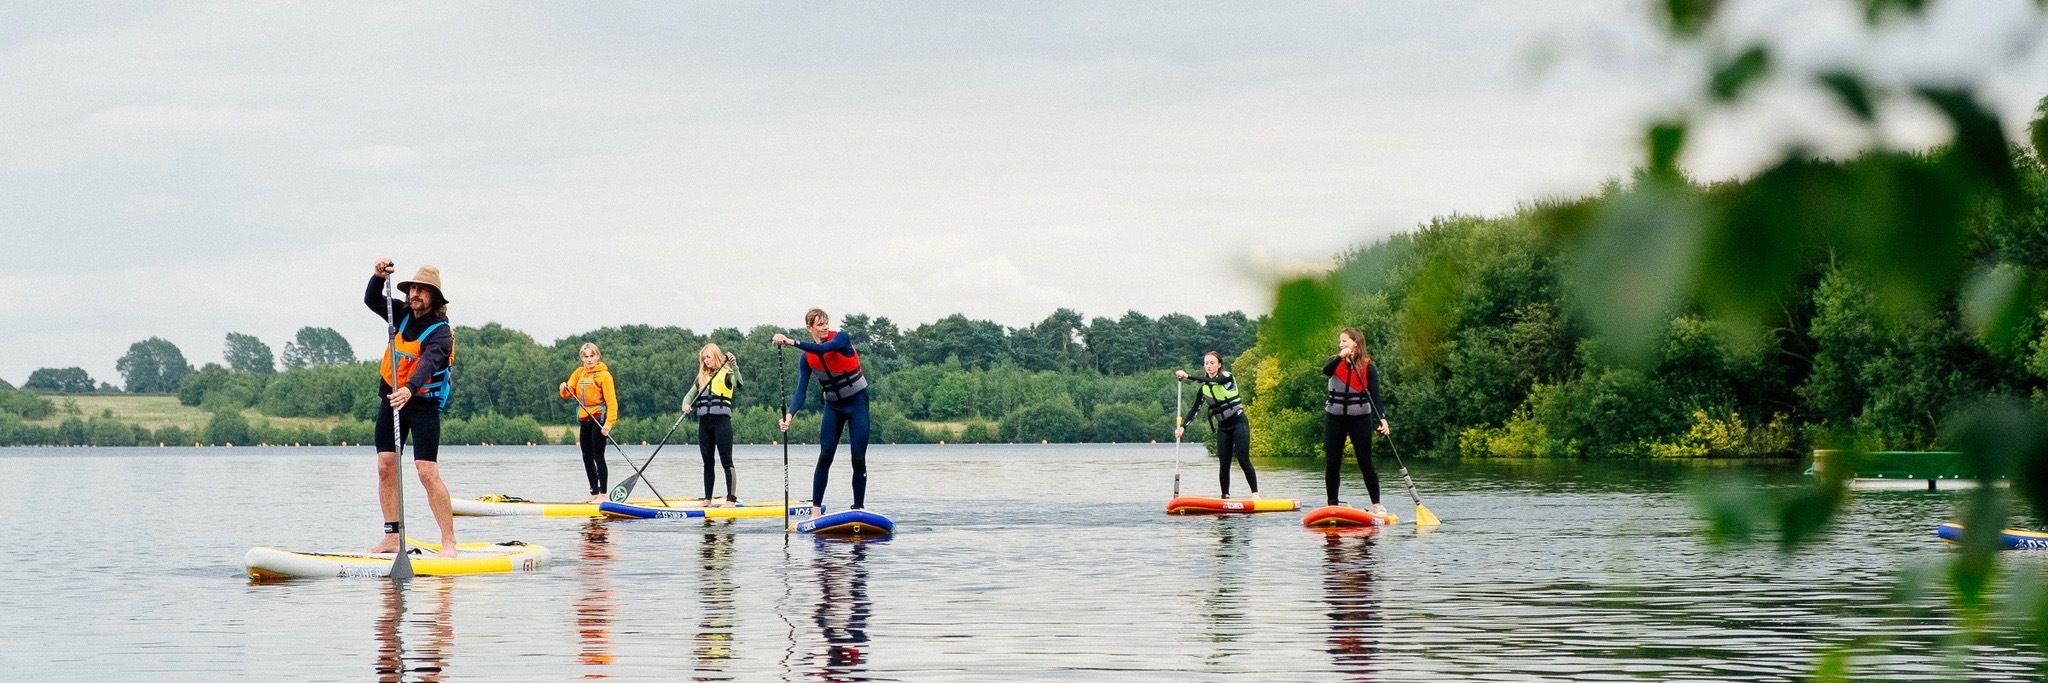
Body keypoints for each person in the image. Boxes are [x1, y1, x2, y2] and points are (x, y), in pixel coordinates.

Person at [365, 259, 459, 557]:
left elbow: (429, 363)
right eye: (413, 288)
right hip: (391, 402)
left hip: (422, 405)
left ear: (434, 297)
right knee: (385, 466)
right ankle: (392, 537)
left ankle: (449, 542)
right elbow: (371, 299)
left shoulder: (441, 332)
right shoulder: (400, 312)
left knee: (426, 471)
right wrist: (378, 277)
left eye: (422, 290)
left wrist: (409, 389)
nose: (415, 293)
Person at [774, 309, 870, 515]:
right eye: (819, 324)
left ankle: (858, 507)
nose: (825, 327)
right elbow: (801, 391)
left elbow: (825, 349)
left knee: (858, 457)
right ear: (809, 328)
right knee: (825, 454)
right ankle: (816, 509)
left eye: (826, 322)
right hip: (834, 406)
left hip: (857, 403)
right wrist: (789, 416)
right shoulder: (806, 359)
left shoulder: (841, 338)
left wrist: (791, 342)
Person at [1323, 327, 1390, 514]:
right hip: (1334, 418)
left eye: (1344, 341)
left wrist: (1382, 419)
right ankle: (1332, 504)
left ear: (1355, 342)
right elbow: (1325, 371)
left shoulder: (1369, 368)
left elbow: (1375, 396)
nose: (1341, 344)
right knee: (1332, 462)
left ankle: (1376, 504)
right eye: (1340, 341)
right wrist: (1339, 356)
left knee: (1365, 461)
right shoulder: (1334, 363)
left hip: (1359, 419)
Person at [1176, 351, 1258, 499]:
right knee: (1223, 463)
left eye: (1212, 363)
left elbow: (1215, 381)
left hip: (1239, 423)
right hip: (1223, 428)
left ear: (1219, 364)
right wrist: (1182, 427)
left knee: (1243, 459)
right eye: (1206, 363)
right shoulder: (1204, 389)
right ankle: (1225, 496)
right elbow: (1195, 409)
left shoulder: (1227, 377)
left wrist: (1188, 376)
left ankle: (1255, 494)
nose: (1209, 366)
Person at [681, 342, 742, 506]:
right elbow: (688, 396)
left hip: (722, 422)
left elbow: (739, 383)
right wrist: (685, 405)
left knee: (726, 461)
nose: (706, 361)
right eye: (703, 358)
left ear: (715, 356)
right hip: (704, 424)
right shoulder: (701, 377)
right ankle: (707, 498)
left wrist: (734, 366)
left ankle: (731, 499)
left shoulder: (727, 373)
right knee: (707, 462)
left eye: (708, 357)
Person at [560, 342, 619, 504]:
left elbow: (612, 402)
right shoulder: (579, 373)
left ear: (597, 356)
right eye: (586, 356)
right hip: (584, 417)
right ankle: (594, 491)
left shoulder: (604, 375)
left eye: (592, 356)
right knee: (586, 455)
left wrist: (609, 423)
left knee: (598, 455)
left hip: (599, 417)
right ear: (582, 358)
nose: (589, 359)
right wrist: (563, 387)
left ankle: (603, 494)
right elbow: (567, 393)